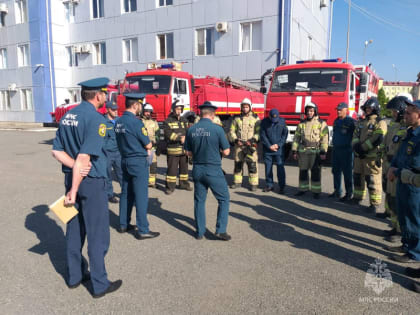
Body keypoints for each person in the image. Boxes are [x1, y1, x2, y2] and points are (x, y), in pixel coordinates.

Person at [51, 77, 122, 298]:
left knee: (74, 230)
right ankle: (100, 284)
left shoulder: (68, 116)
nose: (105, 97)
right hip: (90, 183)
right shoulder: (96, 119)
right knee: (97, 233)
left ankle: (74, 277)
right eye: (104, 94)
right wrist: (75, 184)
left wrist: (74, 174)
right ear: (98, 95)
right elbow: (84, 157)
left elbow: (56, 152)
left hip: (74, 180)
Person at [115, 93, 160, 240]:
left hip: (125, 160)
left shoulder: (119, 121)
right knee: (141, 196)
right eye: (140, 105)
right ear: (135, 105)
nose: (141, 107)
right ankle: (143, 229)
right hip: (138, 161)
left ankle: (123, 224)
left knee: (126, 193)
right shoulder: (136, 123)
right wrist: (151, 145)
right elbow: (147, 143)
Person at [185, 101, 231, 240]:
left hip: (197, 169)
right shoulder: (217, 129)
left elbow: (187, 152)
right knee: (224, 198)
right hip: (213, 169)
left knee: (199, 200)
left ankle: (199, 232)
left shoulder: (192, 129)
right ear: (213, 114)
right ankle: (220, 230)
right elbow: (227, 152)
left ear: (201, 113)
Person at [387, 100, 420, 272]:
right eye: (405, 112)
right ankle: (406, 245)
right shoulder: (409, 132)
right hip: (402, 179)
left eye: (409, 112)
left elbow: (415, 162)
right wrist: (393, 166)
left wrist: (398, 171)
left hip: (413, 183)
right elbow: (400, 153)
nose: (405, 115)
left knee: (414, 218)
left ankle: (414, 252)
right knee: (404, 216)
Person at [351, 97, 387, 213]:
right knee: (357, 177)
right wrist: (357, 147)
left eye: (370, 108)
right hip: (359, 157)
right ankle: (357, 197)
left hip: (371, 157)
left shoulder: (380, 122)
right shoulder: (361, 122)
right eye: (366, 108)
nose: (367, 110)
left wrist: (363, 148)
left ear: (375, 108)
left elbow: (378, 138)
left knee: (372, 181)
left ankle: (374, 204)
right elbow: (355, 135)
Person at [381, 96, 408, 241]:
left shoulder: (407, 128)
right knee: (391, 198)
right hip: (389, 165)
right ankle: (394, 226)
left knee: (398, 200)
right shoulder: (394, 125)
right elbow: (387, 143)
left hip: (399, 169)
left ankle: (399, 231)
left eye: (395, 112)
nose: (393, 114)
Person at [292, 102, 329, 199]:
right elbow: (296, 138)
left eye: (311, 111)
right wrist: (294, 151)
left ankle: (316, 191)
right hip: (303, 152)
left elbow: (325, 139)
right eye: (308, 111)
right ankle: (303, 189)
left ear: (315, 111)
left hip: (315, 152)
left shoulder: (321, 123)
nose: (309, 113)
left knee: (315, 172)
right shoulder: (301, 124)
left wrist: (323, 152)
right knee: (303, 171)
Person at [228, 98, 260, 191]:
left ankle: (253, 184)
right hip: (239, 145)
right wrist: (235, 140)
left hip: (251, 146)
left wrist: (253, 140)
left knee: (252, 165)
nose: (245, 109)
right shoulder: (236, 118)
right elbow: (231, 131)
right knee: (238, 163)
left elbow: (259, 132)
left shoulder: (255, 118)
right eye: (243, 107)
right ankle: (237, 182)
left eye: (246, 107)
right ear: (241, 108)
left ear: (250, 107)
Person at [163, 100, 192, 195]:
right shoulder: (168, 121)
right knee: (172, 170)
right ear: (173, 109)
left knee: (184, 169)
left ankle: (184, 184)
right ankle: (170, 187)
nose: (179, 111)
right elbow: (168, 134)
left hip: (183, 150)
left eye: (180, 109)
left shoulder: (184, 120)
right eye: (177, 109)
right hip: (173, 150)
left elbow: (189, 131)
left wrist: (187, 139)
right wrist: (180, 138)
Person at [330, 102, 356, 201]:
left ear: (346, 110)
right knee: (336, 171)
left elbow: (356, 136)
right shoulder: (336, 121)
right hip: (336, 150)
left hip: (347, 151)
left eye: (340, 109)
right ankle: (337, 191)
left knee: (347, 173)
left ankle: (349, 193)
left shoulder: (351, 122)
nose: (338, 111)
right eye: (337, 109)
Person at [260, 108, 288, 193]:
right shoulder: (264, 122)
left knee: (280, 168)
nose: (274, 121)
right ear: (269, 116)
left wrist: (278, 145)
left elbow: (284, 135)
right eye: (272, 119)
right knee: (268, 168)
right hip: (268, 150)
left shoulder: (282, 122)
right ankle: (269, 185)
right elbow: (262, 135)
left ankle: (282, 187)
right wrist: (269, 146)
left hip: (278, 150)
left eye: (275, 119)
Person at [103, 101, 123, 203]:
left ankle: (126, 193)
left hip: (119, 152)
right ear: (107, 110)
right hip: (107, 153)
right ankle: (109, 195)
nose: (116, 111)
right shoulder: (103, 122)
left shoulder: (119, 120)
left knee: (122, 173)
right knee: (107, 175)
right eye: (113, 109)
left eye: (116, 109)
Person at [141, 103, 160, 188]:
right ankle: (143, 181)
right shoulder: (140, 122)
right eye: (146, 112)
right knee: (143, 165)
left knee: (153, 165)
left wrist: (155, 142)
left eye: (149, 112)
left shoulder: (154, 123)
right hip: (142, 148)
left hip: (152, 147)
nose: (148, 113)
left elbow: (158, 134)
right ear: (143, 112)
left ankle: (152, 182)